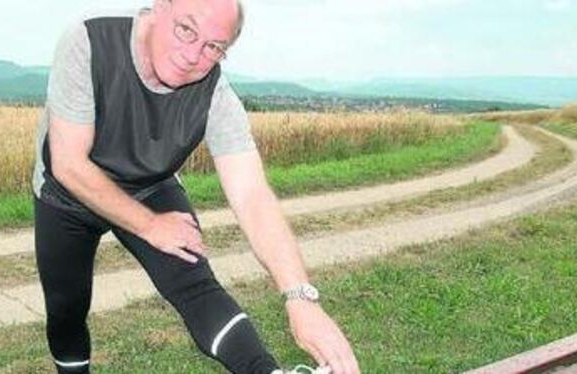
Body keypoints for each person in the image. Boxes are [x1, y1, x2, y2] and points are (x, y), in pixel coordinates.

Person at [32, 0, 361, 373]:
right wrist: (150, 225)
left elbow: (252, 196)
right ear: (159, 7)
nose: (192, 55)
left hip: (149, 185)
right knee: (66, 308)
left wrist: (301, 298)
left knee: (195, 285)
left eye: (213, 47)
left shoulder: (216, 97)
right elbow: (69, 164)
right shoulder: (91, 39)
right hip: (67, 196)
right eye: (185, 29)